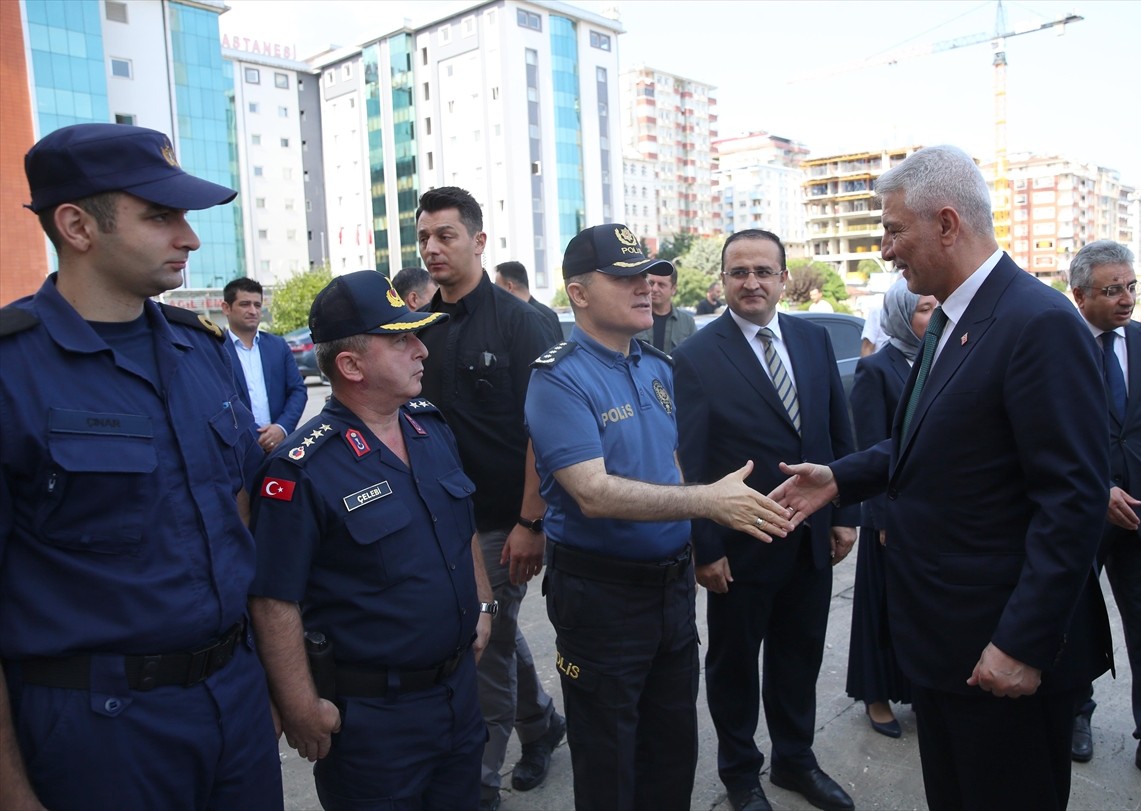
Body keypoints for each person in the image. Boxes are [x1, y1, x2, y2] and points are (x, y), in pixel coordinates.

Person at [770, 145, 1113, 811]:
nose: (885, 249)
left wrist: (1020, 643)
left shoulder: (1036, 322)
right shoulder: (951, 319)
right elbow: (928, 442)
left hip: (1001, 653)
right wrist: (837, 477)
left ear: (948, 224)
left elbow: (1071, 503)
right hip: (944, 645)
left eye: (894, 229)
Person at [0, 122, 282, 810]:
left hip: (233, 701)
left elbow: (236, 514)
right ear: (76, 225)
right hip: (101, 729)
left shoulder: (201, 350)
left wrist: (268, 685)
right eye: (160, 216)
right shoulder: (12, 370)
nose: (188, 236)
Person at [524, 223, 794, 811]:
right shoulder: (559, 376)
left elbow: (674, 463)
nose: (645, 286)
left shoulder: (654, 365)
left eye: (646, 273)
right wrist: (706, 503)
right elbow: (591, 492)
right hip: (601, 596)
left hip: (669, 592)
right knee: (608, 761)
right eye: (624, 277)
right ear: (579, 293)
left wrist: (702, 533)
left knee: (672, 750)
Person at [248, 270, 492, 810]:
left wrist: (483, 604)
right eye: (400, 339)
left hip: (456, 694)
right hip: (374, 718)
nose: (420, 350)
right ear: (351, 365)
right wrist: (300, 706)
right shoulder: (301, 469)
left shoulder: (430, 427)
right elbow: (272, 599)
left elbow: (460, 525)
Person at [673, 229, 859, 811]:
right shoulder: (697, 357)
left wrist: (843, 511)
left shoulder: (811, 340)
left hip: (809, 538)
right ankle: (741, 775)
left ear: (783, 278)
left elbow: (837, 432)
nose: (751, 282)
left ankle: (795, 761)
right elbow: (693, 464)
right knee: (733, 665)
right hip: (741, 541)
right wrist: (706, 548)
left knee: (799, 655)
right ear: (721, 281)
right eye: (739, 272)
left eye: (763, 271)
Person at [415, 187, 564, 811]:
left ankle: (481, 786)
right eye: (423, 237)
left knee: (483, 651)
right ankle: (543, 723)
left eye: (444, 235)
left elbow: (545, 431)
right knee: (494, 631)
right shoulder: (422, 324)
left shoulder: (523, 321)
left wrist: (532, 521)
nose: (431, 249)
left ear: (478, 241)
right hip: (444, 520)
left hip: (506, 520)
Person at [1067, 241, 1141, 809]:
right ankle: (1076, 713)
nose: (1125, 298)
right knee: (1068, 620)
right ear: (1081, 295)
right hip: (1078, 512)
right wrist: (1096, 490)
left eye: (1130, 286)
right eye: (1112, 289)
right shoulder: (1058, 347)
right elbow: (1049, 438)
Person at [844, 278, 934, 738]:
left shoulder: (942, 359)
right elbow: (870, 449)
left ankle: (919, 687)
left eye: (936, 308)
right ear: (900, 314)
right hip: (889, 515)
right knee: (882, 605)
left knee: (923, 607)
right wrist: (878, 517)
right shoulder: (877, 369)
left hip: (933, 515)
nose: (931, 317)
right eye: (922, 310)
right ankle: (876, 694)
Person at [222, 276, 308, 452]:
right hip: (237, 450)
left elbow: (298, 390)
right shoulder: (215, 350)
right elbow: (215, 403)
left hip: (280, 446)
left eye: (257, 305)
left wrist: (281, 428)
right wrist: (255, 435)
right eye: (245, 304)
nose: (253, 310)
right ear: (226, 308)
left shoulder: (278, 346)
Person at [495, 260, 564, 341]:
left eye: (497, 287)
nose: (496, 293)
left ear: (509, 286)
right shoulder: (544, 314)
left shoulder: (536, 316)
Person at [634, 266, 696, 353]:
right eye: (651, 283)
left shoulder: (687, 322)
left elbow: (693, 354)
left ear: (673, 289)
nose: (654, 289)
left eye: (661, 285)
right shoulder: (635, 317)